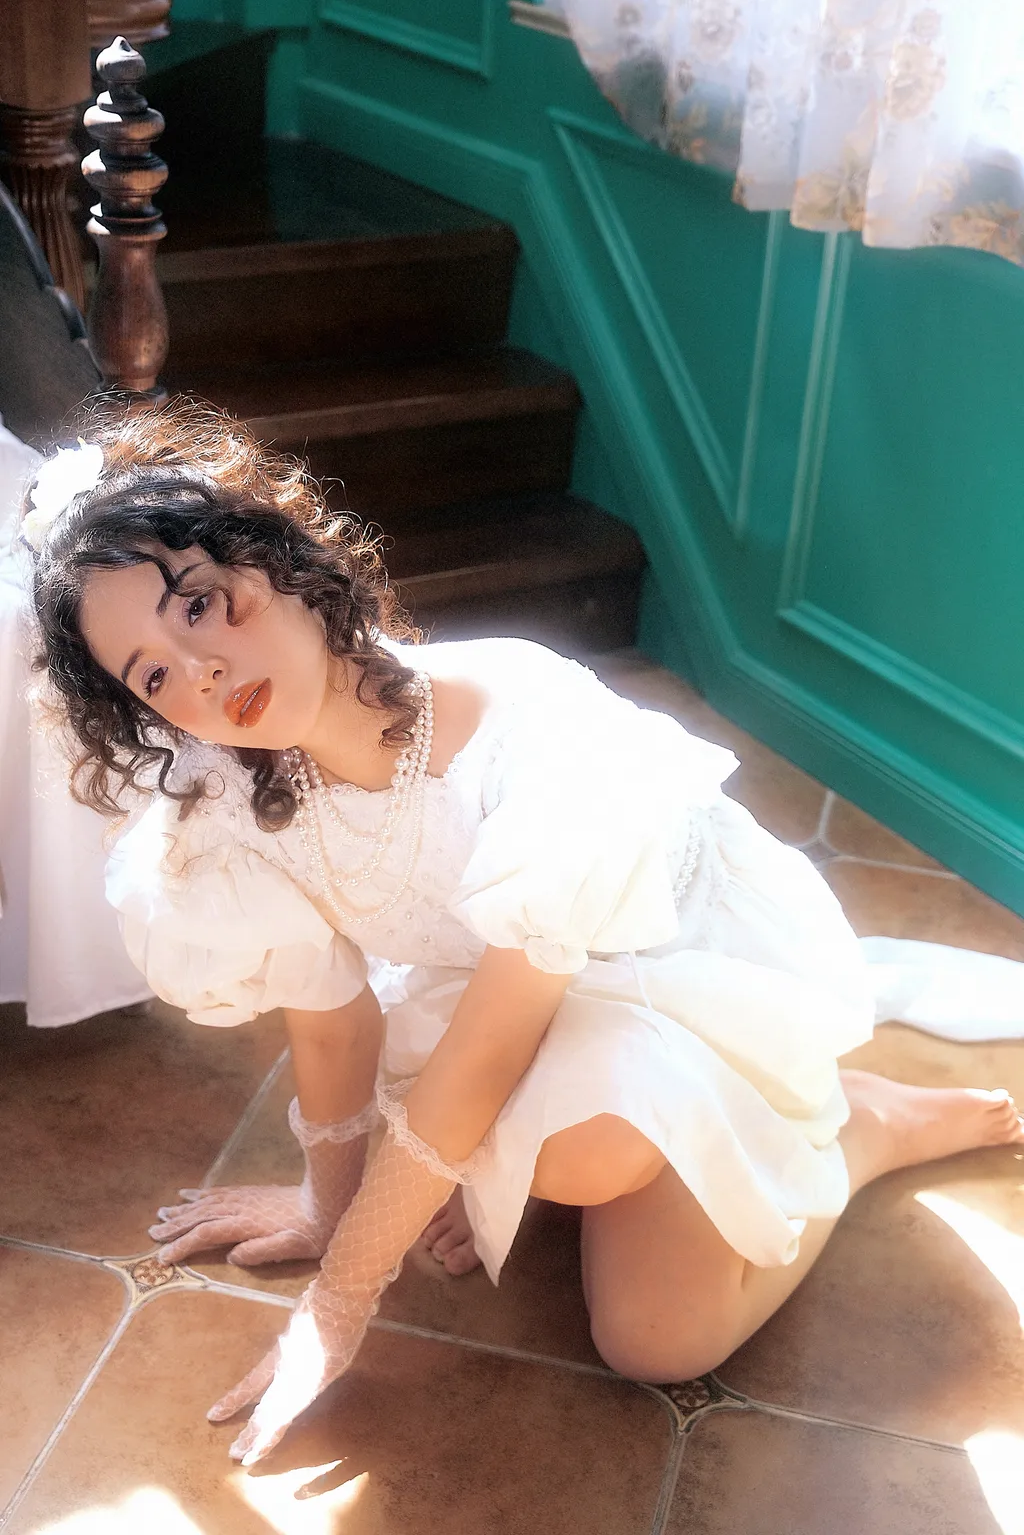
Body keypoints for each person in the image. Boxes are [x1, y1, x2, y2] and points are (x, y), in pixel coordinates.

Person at [24, 404, 1023, 1467]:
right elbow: (332, 1023)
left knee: (651, 1333)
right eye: (154, 676)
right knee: (635, 1304)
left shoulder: (522, 716)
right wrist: (328, 1205)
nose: (201, 673)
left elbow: (490, 1050)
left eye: (198, 606)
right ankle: (545, 1150)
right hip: (508, 996)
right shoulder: (231, 804)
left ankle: (859, 1124)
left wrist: (342, 1295)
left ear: (271, 555)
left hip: (673, 965)